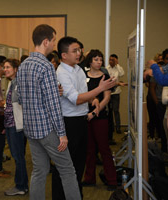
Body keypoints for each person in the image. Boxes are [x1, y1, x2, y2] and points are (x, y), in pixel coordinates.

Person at [17, 24, 81, 200]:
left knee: (39, 170)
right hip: (48, 130)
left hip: (31, 129)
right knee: (68, 170)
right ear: (46, 41)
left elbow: (21, 98)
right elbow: (53, 105)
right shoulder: (46, 66)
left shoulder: (23, 65)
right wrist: (62, 134)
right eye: (53, 40)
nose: (54, 44)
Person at [53, 36, 116, 199]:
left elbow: (83, 92)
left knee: (79, 163)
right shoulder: (61, 73)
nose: (79, 53)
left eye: (79, 50)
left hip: (81, 120)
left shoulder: (78, 69)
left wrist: (92, 98)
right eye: (75, 51)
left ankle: (75, 195)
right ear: (64, 55)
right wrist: (100, 89)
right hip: (68, 122)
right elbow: (76, 98)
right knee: (66, 165)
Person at [81, 49, 117, 190]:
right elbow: (82, 94)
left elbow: (107, 98)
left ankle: (112, 180)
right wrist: (91, 102)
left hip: (100, 117)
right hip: (84, 115)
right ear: (90, 61)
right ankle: (89, 178)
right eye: (96, 59)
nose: (99, 62)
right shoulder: (83, 76)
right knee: (89, 150)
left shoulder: (105, 76)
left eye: (100, 60)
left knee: (104, 149)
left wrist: (95, 112)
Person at [3, 59, 29, 196]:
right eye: (4, 67)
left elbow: (22, 104)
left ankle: (21, 186)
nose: (5, 69)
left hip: (16, 125)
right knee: (17, 155)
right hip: (10, 124)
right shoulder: (11, 83)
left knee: (18, 156)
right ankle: (22, 184)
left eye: (8, 67)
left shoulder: (20, 83)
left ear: (16, 69)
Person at [106, 54, 127, 135]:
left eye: (113, 60)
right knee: (109, 111)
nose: (111, 61)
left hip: (116, 92)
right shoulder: (106, 68)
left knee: (116, 110)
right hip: (108, 92)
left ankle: (118, 127)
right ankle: (110, 127)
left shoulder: (118, 68)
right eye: (110, 60)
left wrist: (117, 64)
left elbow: (122, 74)